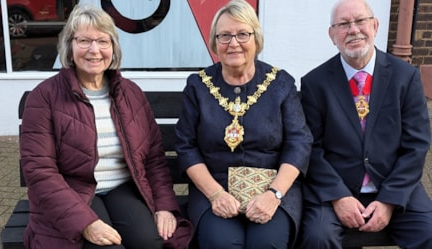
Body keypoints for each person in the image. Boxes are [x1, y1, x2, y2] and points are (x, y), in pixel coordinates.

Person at [19, 4, 193, 249]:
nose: (94, 50)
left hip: (122, 187)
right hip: (72, 192)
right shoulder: (44, 97)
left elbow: (154, 158)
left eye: (103, 41)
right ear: (69, 47)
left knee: (150, 243)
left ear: (113, 48)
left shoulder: (130, 93)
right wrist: (85, 223)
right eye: (84, 41)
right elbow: (39, 170)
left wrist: (164, 205)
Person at [174, 0, 313, 248]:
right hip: (214, 187)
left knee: (266, 243)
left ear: (256, 39)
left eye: (242, 34)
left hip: (272, 187)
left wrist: (274, 194)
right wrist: (215, 194)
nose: (233, 43)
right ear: (215, 42)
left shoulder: (280, 83)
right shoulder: (198, 85)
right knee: (221, 242)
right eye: (225, 36)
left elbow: (299, 142)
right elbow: (186, 146)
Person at [298, 0, 432, 248]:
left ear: (375, 25)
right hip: (336, 191)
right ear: (332, 35)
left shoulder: (406, 77)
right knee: (317, 238)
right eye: (343, 24)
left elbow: (416, 146)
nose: (353, 30)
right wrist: (339, 197)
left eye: (360, 21)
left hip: (395, 187)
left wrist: (389, 200)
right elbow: (311, 150)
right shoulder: (314, 83)